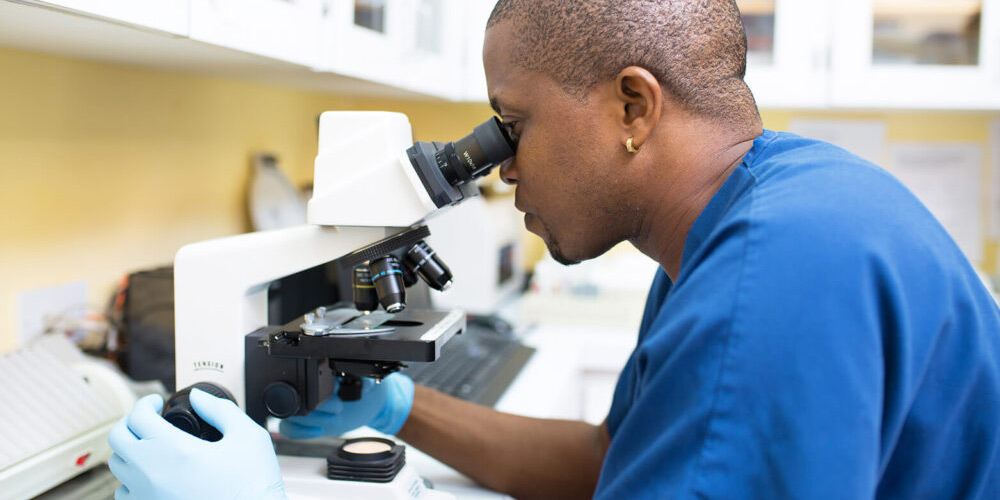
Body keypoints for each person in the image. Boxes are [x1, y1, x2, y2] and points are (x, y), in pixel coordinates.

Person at [107, 1, 1000, 499]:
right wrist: (396, 408)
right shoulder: (761, 213)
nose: (498, 169)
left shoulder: (771, 283)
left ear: (633, 108)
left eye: (514, 126)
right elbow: (614, 461)